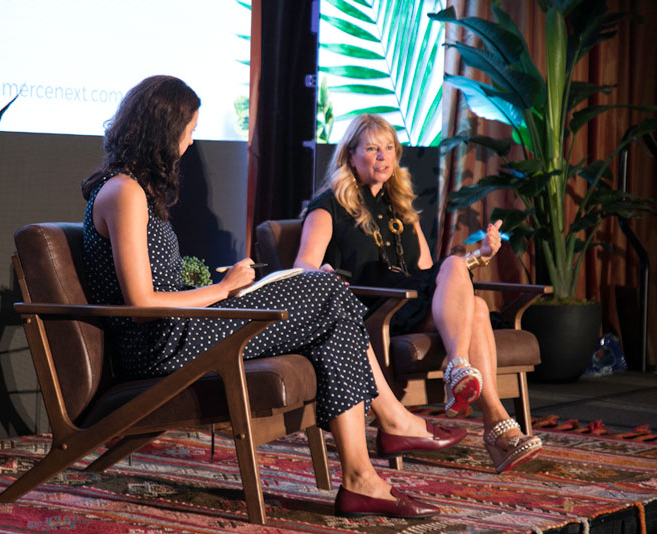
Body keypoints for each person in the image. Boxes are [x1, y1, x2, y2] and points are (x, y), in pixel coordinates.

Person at [81, 76, 467, 519]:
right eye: (189, 130)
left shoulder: (132, 190)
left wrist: (228, 289)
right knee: (326, 289)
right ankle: (388, 433)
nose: (190, 141)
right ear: (163, 131)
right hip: (160, 346)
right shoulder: (124, 192)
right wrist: (223, 289)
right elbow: (141, 304)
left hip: (181, 331)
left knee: (331, 310)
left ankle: (363, 477)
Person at [294, 114, 542, 474]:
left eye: (389, 148)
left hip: (413, 303)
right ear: (350, 155)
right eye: (373, 149)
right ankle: (493, 420)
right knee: (469, 298)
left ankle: (483, 406)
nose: (384, 157)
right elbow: (303, 264)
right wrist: (322, 272)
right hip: (374, 311)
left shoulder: (401, 209)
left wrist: (481, 256)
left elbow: (427, 271)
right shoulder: (328, 206)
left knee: (471, 300)